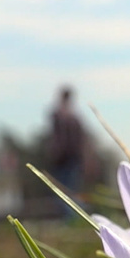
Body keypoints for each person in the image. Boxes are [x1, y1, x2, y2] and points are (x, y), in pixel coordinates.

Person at [46, 86, 86, 214]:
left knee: (67, 187)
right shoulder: (64, 115)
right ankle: (71, 215)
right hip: (65, 158)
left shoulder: (70, 116)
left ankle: (72, 215)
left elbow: (79, 138)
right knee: (64, 187)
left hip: (70, 157)